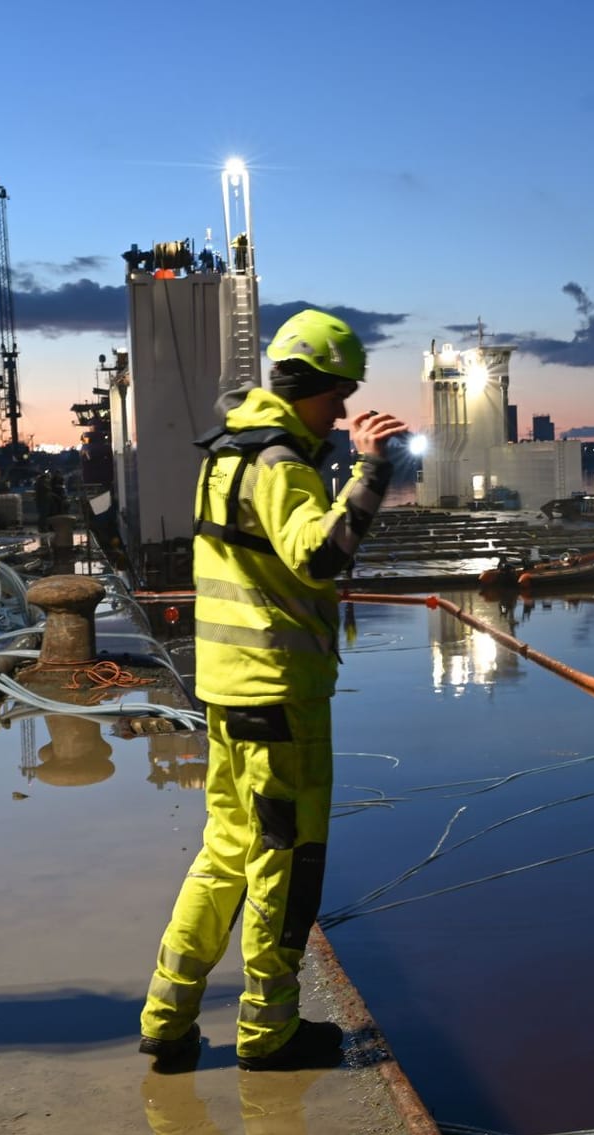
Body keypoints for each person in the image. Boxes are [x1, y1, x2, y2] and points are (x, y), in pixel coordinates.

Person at [138, 308, 406, 1072]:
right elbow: (317, 558)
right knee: (287, 858)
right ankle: (270, 1030)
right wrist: (371, 472)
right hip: (277, 694)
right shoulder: (283, 461)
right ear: (310, 389)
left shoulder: (227, 451)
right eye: (340, 395)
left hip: (225, 689)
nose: (346, 411)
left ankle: (168, 1013)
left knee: (225, 851)